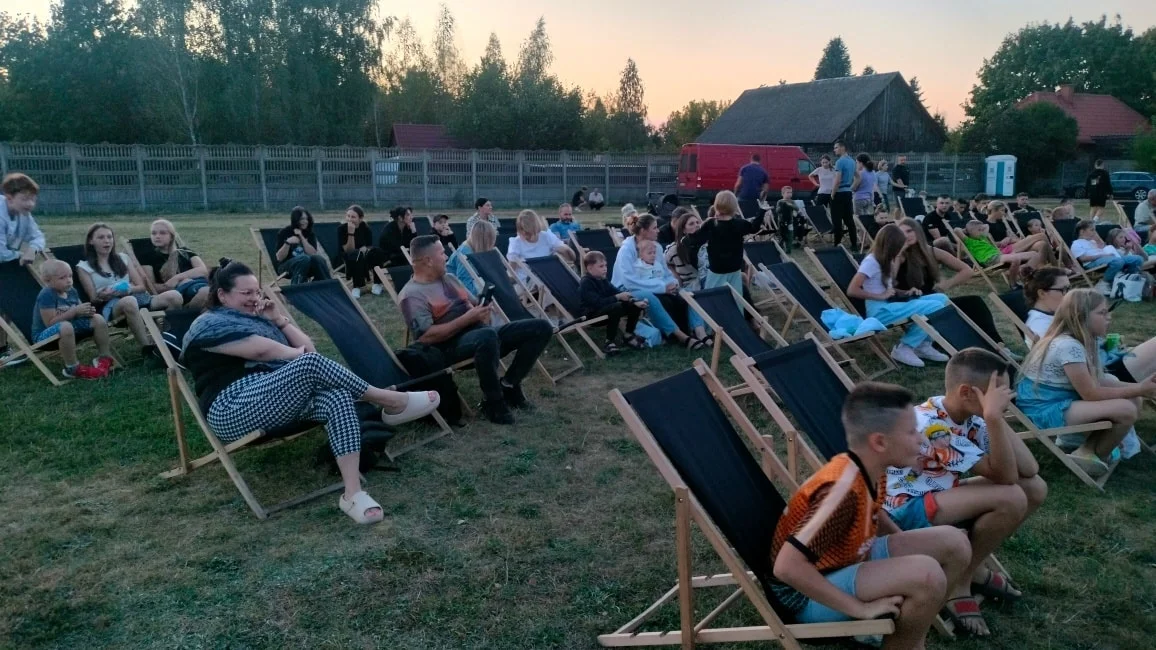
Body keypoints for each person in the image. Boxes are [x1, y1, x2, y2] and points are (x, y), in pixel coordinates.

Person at [182, 261, 439, 524]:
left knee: (337, 398)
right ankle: (391, 401)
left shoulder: (259, 320)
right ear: (223, 295)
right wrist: (299, 356)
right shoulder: (208, 324)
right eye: (246, 293)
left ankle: (353, 493)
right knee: (310, 364)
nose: (254, 298)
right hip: (232, 408)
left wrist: (278, 321)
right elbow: (262, 351)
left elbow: (309, 348)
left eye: (257, 292)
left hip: (275, 400)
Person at [769, 382, 971, 648]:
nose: (921, 439)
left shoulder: (871, 466)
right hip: (805, 596)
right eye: (911, 431)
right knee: (927, 575)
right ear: (880, 442)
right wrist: (860, 609)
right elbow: (786, 567)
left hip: (846, 562)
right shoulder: (840, 493)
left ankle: (912, 638)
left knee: (955, 543)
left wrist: (909, 546)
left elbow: (874, 512)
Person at [886, 349, 1046, 636]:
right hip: (902, 510)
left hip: (938, 495)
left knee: (1034, 488)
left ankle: (971, 568)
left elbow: (1029, 469)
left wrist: (994, 416)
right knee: (1010, 497)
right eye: (996, 394)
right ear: (966, 392)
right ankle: (959, 582)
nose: (1004, 400)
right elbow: (1006, 477)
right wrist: (993, 418)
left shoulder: (967, 415)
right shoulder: (932, 426)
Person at [400, 235, 554, 425]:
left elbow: (474, 305)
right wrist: (469, 318)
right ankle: (494, 403)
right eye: (442, 253)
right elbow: (425, 337)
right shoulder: (412, 295)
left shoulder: (450, 279)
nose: (446, 257)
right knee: (487, 335)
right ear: (428, 260)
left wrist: (482, 308)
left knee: (541, 327)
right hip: (449, 347)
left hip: (482, 335)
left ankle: (509, 385)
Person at [1016, 288, 1155, 476]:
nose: (1109, 317)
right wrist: (1140, 389)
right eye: (1102, 313)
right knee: (1126, 409)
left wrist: (1140, 388)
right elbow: (1091, 394)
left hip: (1060, 399)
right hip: (1044, 407)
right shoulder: (1068, 346)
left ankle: (1086, 449)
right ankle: (1094, 455)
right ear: (1080, 317)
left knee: (1132, 399)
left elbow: (1099, 379)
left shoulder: (1085, 340)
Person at [894, 218, 1016, 358]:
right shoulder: (896, 255)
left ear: (918, 232)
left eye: (909, 231)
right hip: (909, 302)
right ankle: (943, 343)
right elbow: (886, 283)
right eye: (901, 233)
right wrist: (898, 254)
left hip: (934, 300)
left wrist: (946, 284)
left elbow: (967, 270)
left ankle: (998, 345)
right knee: (954, 313)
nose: (906, 236)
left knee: (974, 302)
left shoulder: (931, 251)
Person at [1023, 265, 1156, 382]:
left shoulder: (1054, 315)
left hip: (1103, 363)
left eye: (1070, 289)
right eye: (1063, 290)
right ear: (1042, 293)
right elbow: (1067, 356)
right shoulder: (1039, 324)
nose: (1069, 295)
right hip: (1101, 374)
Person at [847, 224, 950, 368]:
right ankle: (905, 347)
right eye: (901, 245)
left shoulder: (887, 260)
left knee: (942, 299)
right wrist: (881, 296)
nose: (902, 248)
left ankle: (923, 345)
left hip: (890, 305)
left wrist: (906, 292)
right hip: (879, 312)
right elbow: (852, 290)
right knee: (935, 306)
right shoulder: (872, 261)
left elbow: (887, 288)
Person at [76, 223, 183, 358]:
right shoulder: (84, 267)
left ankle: (166, 340)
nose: (107, 241)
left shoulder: (123, 258)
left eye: (109, 237)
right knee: (129, 301)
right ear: (91, 241)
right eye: (101, 237)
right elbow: (93, 299)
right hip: (110, 306)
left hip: (136, 297)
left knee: (175, 296)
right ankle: (147, 349)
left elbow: (141, 286)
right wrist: (104, 295)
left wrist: (128, 290)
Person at [32, 259, 113, 379]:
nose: (69, 280)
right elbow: (50, 323)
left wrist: (86, 312)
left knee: (98, 318)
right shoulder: (47, 294)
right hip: (44, 337)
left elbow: (79, 311)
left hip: (70, 329)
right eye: (62, 278)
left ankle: (104, 358)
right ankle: (72, 368)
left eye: (70, 276)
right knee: (65, 326)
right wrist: (74, 311)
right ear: (48, 281)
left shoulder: (72, 291)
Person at [0, 173, 46, 365]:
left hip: (7, 263)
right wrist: (21, 254)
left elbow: (38, 237)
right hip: (4, 259)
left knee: (9, 306)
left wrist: (32, 249)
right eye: (25, 199)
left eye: (33, 199)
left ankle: (2, 349)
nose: (30, 204)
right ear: (9, 197)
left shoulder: (24, 214)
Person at [682, 190, 761, 296]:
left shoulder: (711, 224)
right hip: (735, 268)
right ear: (734, 206)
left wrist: (686, 239)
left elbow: (695, 239)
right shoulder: (740, 224)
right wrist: (762, 212)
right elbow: (754, 228)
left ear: (716, 205)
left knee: (713, 298)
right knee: (736, 297)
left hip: (717, 269)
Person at [579, 251, 647, 354]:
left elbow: (618, 292)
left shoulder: (603, 280)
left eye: (605, 265)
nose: (605, 268)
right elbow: (597, 303)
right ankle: (609, 341)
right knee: (616, 306)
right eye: (601, 266)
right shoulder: (586, 283)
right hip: (591, 314)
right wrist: (617, 297)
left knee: (634, 305)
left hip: (606, 310)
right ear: (590, 268)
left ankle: (628, 335)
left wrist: (634, 301)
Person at [133, 219, 211, 308]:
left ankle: (188, 312)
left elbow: (203, 270)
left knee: (207, 292)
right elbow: (151, 286)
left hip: (196, 287)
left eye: (162, 233)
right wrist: (174, 285)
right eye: (153, 233)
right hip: (171, 293)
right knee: (204, 292)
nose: (157, 236)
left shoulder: (185, 252)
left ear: (171, 236)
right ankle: (187, 313)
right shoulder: (147, 257)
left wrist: (177, 278)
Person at [958, 220, 1039, 286]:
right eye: (979, 230)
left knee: (1034, 254)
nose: (982, 231)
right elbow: (956, 230)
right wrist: (966, 230)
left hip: (999, 256)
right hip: (989, 259)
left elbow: (986, 225)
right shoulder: (969, 241)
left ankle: (1027, 277)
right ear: (970, 232)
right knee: (1016, 259)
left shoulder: (983, 237)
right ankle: (1013, 284)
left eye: (982, 229)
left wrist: (978, 228)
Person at [507, 209, 575, 283]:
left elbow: (569, 254)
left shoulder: (546, 237)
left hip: (548, 278)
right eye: (522, 231)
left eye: (528, 232)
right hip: (526, 282)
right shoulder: (516, 243)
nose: (525, 234)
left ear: (536, 228)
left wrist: (565, 251)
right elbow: (511, 271)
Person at [1070, 219, 1144, 286]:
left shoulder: (1092, 241)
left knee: (1138, 259)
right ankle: (1105, 282)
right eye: (1092, 230)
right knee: (1118, 261)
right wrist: (1102, 255)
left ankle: (1128, 278)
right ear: (1082, 232)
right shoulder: (1076, 244)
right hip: (1093, 262)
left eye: (1095, 230)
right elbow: (1083, 258)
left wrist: (1098, 241)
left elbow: (1103, 247)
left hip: (1108, 257)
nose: (1095, 232)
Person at [334, 205, 387, 299]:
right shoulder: (341, 229)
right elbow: (348, 250)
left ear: (361, 218)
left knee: (377, 251)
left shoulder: (366, 228)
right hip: (347, 258)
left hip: (364, 256)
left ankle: (377, 283)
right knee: (355, 253)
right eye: (348, 216)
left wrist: (366, 249)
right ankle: (357, 287)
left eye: (353, 217)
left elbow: (369, 246)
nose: (349, 219)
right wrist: (351, 233)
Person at [275, 206, 332, 284]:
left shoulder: (310, 234)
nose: (305, 221)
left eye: (306, 219)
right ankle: (297, 287)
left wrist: (301, 237)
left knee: (318, 259)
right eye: (302, 219)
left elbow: (312, 253)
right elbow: (279, 258)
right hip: (286, 267)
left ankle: (326, 285)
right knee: (304, 258)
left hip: (306, 264)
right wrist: (287, 242)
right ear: (296, 220)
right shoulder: (284, 232)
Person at [446, 220, 496, 297]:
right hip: (451, 290)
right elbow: (465, 284)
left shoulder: (471, 248)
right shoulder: (465, 253)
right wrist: (480, 299)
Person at [663, 208, 706, 289]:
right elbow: (663, 262)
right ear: (684, 230)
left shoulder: (706, 245)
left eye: (697, 222)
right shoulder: (674, 249)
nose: (696, 225)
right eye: (691, 224)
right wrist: (676, 277)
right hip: (692, 286)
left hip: (708, 282)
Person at [830, 140, 858, 250]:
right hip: (848, 192)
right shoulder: (852, 161)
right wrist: (851, 188)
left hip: (839, 192)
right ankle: (854, 244)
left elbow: (837, 180)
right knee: (849, 220)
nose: (834, 150)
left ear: (843, 148)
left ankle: (837, 244)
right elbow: (858, 177)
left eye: (836, 147)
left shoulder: (840, 162)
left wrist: (832, 194)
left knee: (836, 220)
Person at [734, 153, 770, 224]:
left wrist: (735, 195)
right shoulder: (764, 172)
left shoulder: (744, 168)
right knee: (753, 217)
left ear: (751, 159)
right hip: (755, 198)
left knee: (739, 215)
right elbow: (765, 190)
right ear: (760, 161)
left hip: (743, 197)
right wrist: (761, 200)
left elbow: (738, 185)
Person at [774, 186, 804, 252]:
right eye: (787, 192)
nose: (790, 194)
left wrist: (790, 205)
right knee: (782, 235)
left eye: (791, 192)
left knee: (790, 235)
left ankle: (788, 249)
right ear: (783, 194)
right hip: (781, 221)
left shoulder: (792, 201)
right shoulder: (780, 201)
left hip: (790, 221)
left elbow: (797, 208)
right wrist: (782, 206)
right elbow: (777, 211)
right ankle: (780, 247)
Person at [852, 153, 879, 223]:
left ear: (861, 163)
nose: (856, 164)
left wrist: (850, 188)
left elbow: (854, 188)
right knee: (868, 220)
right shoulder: (873, 172)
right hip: (869, 199)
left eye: (857, 162)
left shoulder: (859, 173)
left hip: (859, 199)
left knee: (859, 220)